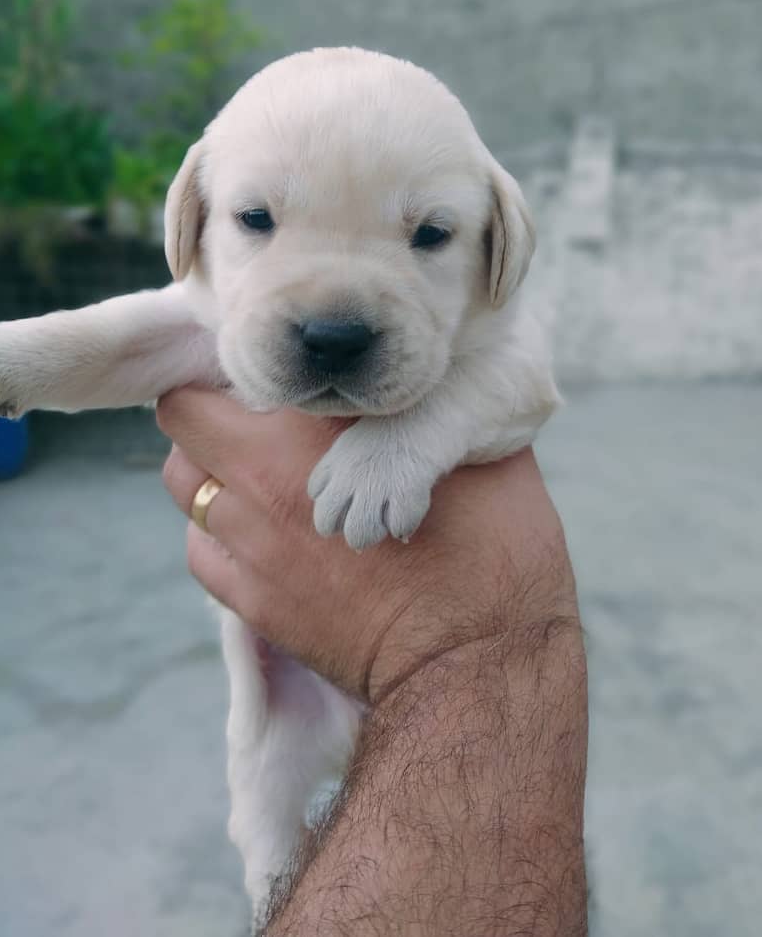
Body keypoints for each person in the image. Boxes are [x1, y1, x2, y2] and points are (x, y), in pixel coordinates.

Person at [158, 387, 588, 936]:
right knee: (267, 824)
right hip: (285, 671)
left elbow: (522, 386)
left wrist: (474, 651)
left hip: (438, 664)